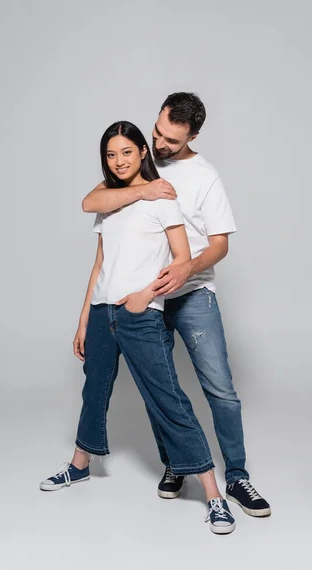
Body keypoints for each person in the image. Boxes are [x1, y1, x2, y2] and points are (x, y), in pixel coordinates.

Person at [40, 121, 236, 535]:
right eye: (111, 155)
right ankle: (79, 466)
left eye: (126, 152)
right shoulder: (110, 201)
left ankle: (214, 496)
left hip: (138, 312)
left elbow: (182, 260)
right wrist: (82, 319)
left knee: (168, 397)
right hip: (100, 312)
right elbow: (100, 263)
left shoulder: (164, 197)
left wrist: (146, 295)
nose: (119, 161)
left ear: (143, 152)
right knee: (94, 390)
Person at [82, 94, 271, 518]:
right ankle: (176, 465)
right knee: (158, 387)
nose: (161, 144)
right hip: (142, 297)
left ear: (193, 136)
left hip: (190, 294)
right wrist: (145, 187)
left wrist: (186, 270)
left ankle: (237, 475)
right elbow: (93, 201)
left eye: (171, 140)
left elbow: (220, 243)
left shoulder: (204, 176)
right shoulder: (138, 160)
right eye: (157, 132)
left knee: (219, 386)